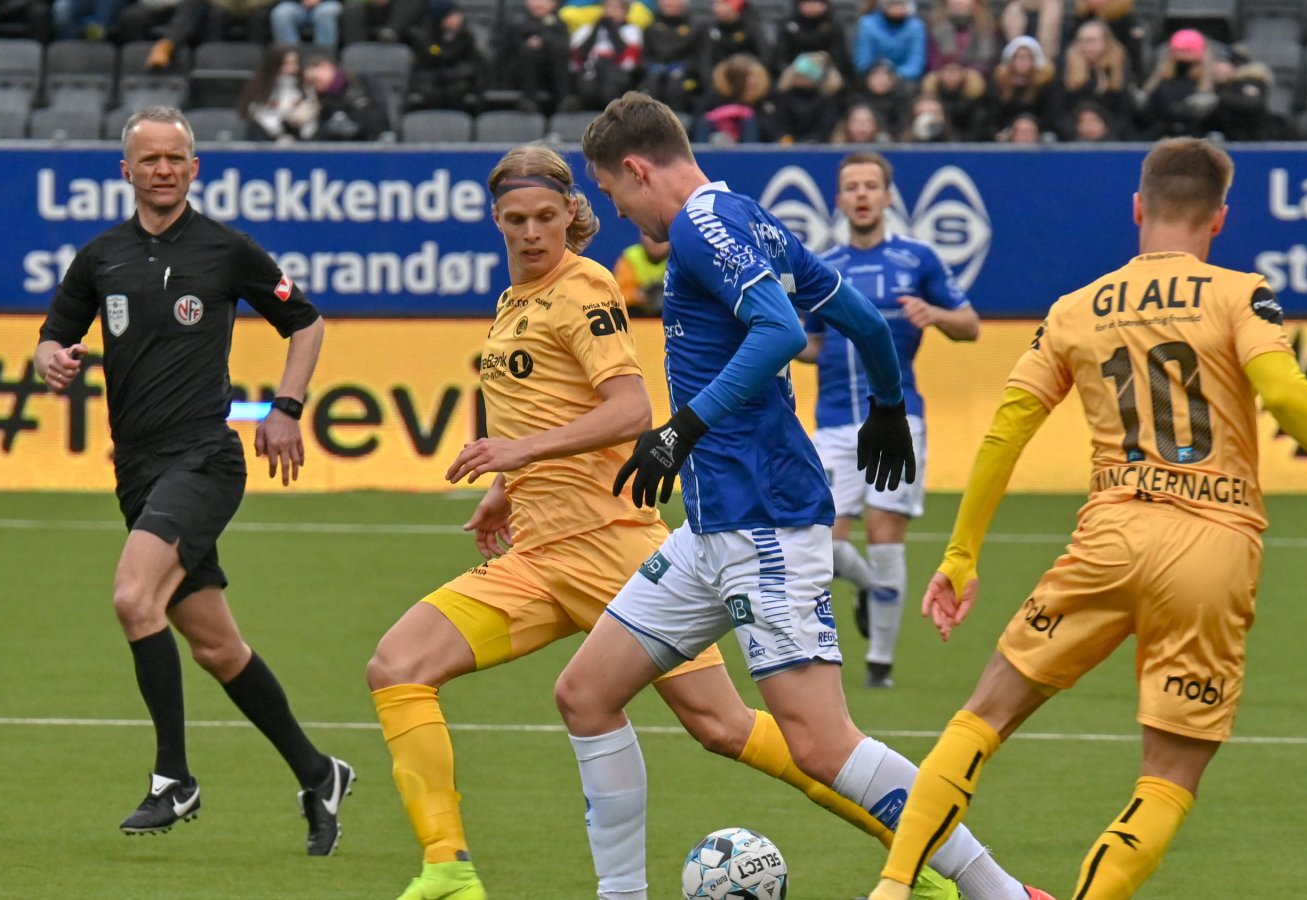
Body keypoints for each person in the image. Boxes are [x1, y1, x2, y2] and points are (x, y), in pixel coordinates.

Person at [366, 143, 1013, 900]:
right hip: (618, 542)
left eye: (579, 202)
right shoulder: (554, 288)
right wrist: (513, 483)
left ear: (623, 176)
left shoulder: (649, 256)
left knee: (782, 736)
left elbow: (644, 403)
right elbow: (858, 319)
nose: (568, 223)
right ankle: (461, 871)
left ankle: (964, 876)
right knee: (511, 683)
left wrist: (679, 430)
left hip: (672, 532)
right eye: (518, 219)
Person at [868, 137, 1307, 900]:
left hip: (1111, 535)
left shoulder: (1075, 308)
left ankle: (893, 885)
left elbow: (1008, 426)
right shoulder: (1241, 293)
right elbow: (1288, 396)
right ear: (1220, 220)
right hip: (1215, 544)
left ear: (1138, 209)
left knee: (980, 720)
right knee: (1167, 778)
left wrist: (963, 555)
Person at [554, 91, 1052, 900]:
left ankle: (1000, 891)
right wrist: (888, 400)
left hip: (765, 524)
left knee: (821, 743)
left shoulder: (698, 227)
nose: (617, 212)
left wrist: (683, 429)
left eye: (613, 193)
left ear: (638, 169)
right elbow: (860, 314)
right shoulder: (749, 216)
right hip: (712, 527)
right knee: (585, 693)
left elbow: (783, 330)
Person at [33, 106, 353, 856]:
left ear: (195, 167)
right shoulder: (100, 257)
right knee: (217, 647)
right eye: (150, 160)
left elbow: (305, 322)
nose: (164, 169)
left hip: (204, 457)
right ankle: (320, 773)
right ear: (127, 172)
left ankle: (173, 777)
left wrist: (287, 409)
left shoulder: (224, 250)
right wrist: (48, 355)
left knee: (130, 596)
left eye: (177, 157)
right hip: (138, 470)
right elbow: (56, 332)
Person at [799, 151, 979, 688]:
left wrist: (937, 315)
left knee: (885, 534)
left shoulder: (917, 259)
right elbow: (811, 343)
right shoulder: (821, 265)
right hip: (832, 421)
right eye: (851, 186)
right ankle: (865, 587)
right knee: (819, 544)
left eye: (870, 186)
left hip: (898, 419)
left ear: (887, 197)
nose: (860, 194)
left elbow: (969, 325)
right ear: (838, 199)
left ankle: (879, 664)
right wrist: (780, 343)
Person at [238, 45, 320, 143]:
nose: (291, 69)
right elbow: (254, 112)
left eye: (294, 63)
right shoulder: (260, 88)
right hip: (266, 140)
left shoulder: (306, 88)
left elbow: (311, 110)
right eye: (286, 64)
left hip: (300, 139)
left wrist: (301, 117)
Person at [613, 226, 669, 315]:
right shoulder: (630, 257)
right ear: (642, 236)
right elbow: (617, 296)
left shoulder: (679, 257)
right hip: (637, 316)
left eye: (662, 236)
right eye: (650, 235)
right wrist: (638, 296)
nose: (656, 241)